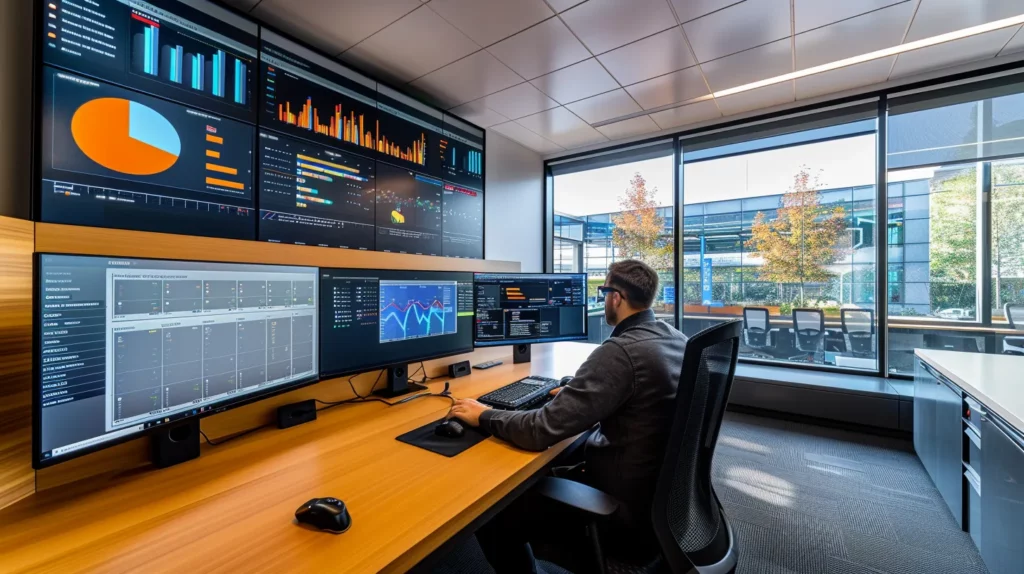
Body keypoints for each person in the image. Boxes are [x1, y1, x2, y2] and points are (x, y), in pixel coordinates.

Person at [451, 259, 688, 572]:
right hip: (658, 501)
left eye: (605, 292)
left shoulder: (620, 351)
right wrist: (576, 392)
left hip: (616, 510)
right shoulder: (675, 338)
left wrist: (484, 414)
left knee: (495, 510)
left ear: (616, 297)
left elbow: (540, 430)